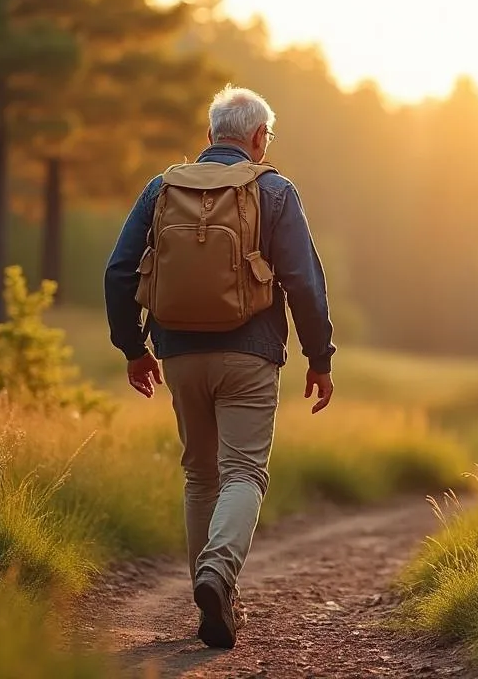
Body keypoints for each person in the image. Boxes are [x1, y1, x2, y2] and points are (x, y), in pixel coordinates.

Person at [104, 84, 336, 649]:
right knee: (243, 473)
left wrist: (133, 349)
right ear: (259, 138)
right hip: (250, 352)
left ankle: (211, 600)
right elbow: (304, 281)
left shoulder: (162, 187)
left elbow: (118, 271)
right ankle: (218, 576)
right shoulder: (274, 190)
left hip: (178, 353)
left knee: (200, 475)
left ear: (210, 136)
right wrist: (319, 357)